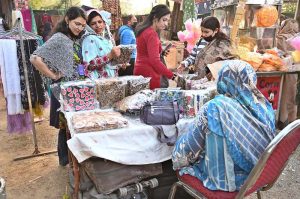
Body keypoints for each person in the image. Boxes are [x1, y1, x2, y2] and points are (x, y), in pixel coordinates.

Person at [172, 60, 276, 192]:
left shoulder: (215, 108)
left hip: (229, 181)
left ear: (222, 80)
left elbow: (187, 152)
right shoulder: (263, 105)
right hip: (257, 176)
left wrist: (175, 153)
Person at [30, 7, 87, 166]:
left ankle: (69, 158)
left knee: (70, 124)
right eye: (77, 24)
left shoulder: (74, 38)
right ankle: (64, 159)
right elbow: (35, 58)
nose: (80, 28)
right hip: (64, 90)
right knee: (66, 126)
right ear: (67, 19)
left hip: (76, 89)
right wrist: (53, 75)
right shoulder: (60, 38)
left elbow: (77, 63)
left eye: (83, 25)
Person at [134, 4, 177, 89]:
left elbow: (146, 51)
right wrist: (173, 76)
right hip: (149, 74)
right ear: (155, 17)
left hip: (139, 70)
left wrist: (161, 51)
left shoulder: (143, 29)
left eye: (167, 21)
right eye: (164, 20)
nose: (166, 24)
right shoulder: (152, 34)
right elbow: (155, 61)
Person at [81, 9, 121, 79]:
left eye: (100, 22)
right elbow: (89, 65)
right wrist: (110, 55)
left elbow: (110, 63)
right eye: (93, 23)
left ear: (104, 22)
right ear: (88, 26)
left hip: (111, 79)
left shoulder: (105, 39)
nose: (98, 25)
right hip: (99, 82)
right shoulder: (89, 38)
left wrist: (120, 64)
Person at [276, 19, 299, 129]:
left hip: (283, 71)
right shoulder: (297, 38)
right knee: (292, 96)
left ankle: (282, 121)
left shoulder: (280, 38)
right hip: (295, 72)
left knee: (283, 95)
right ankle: (292, 122)